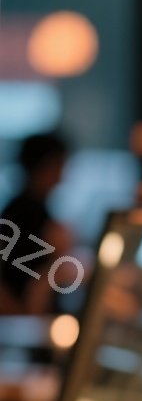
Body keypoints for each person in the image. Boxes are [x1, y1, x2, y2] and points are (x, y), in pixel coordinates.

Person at [0, 132, 74, 316]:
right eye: (58, 164)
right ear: (42, 165)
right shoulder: (22, 213)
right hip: (21, 322)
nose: (62, 174)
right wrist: (20, 317)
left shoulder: (32, 210)